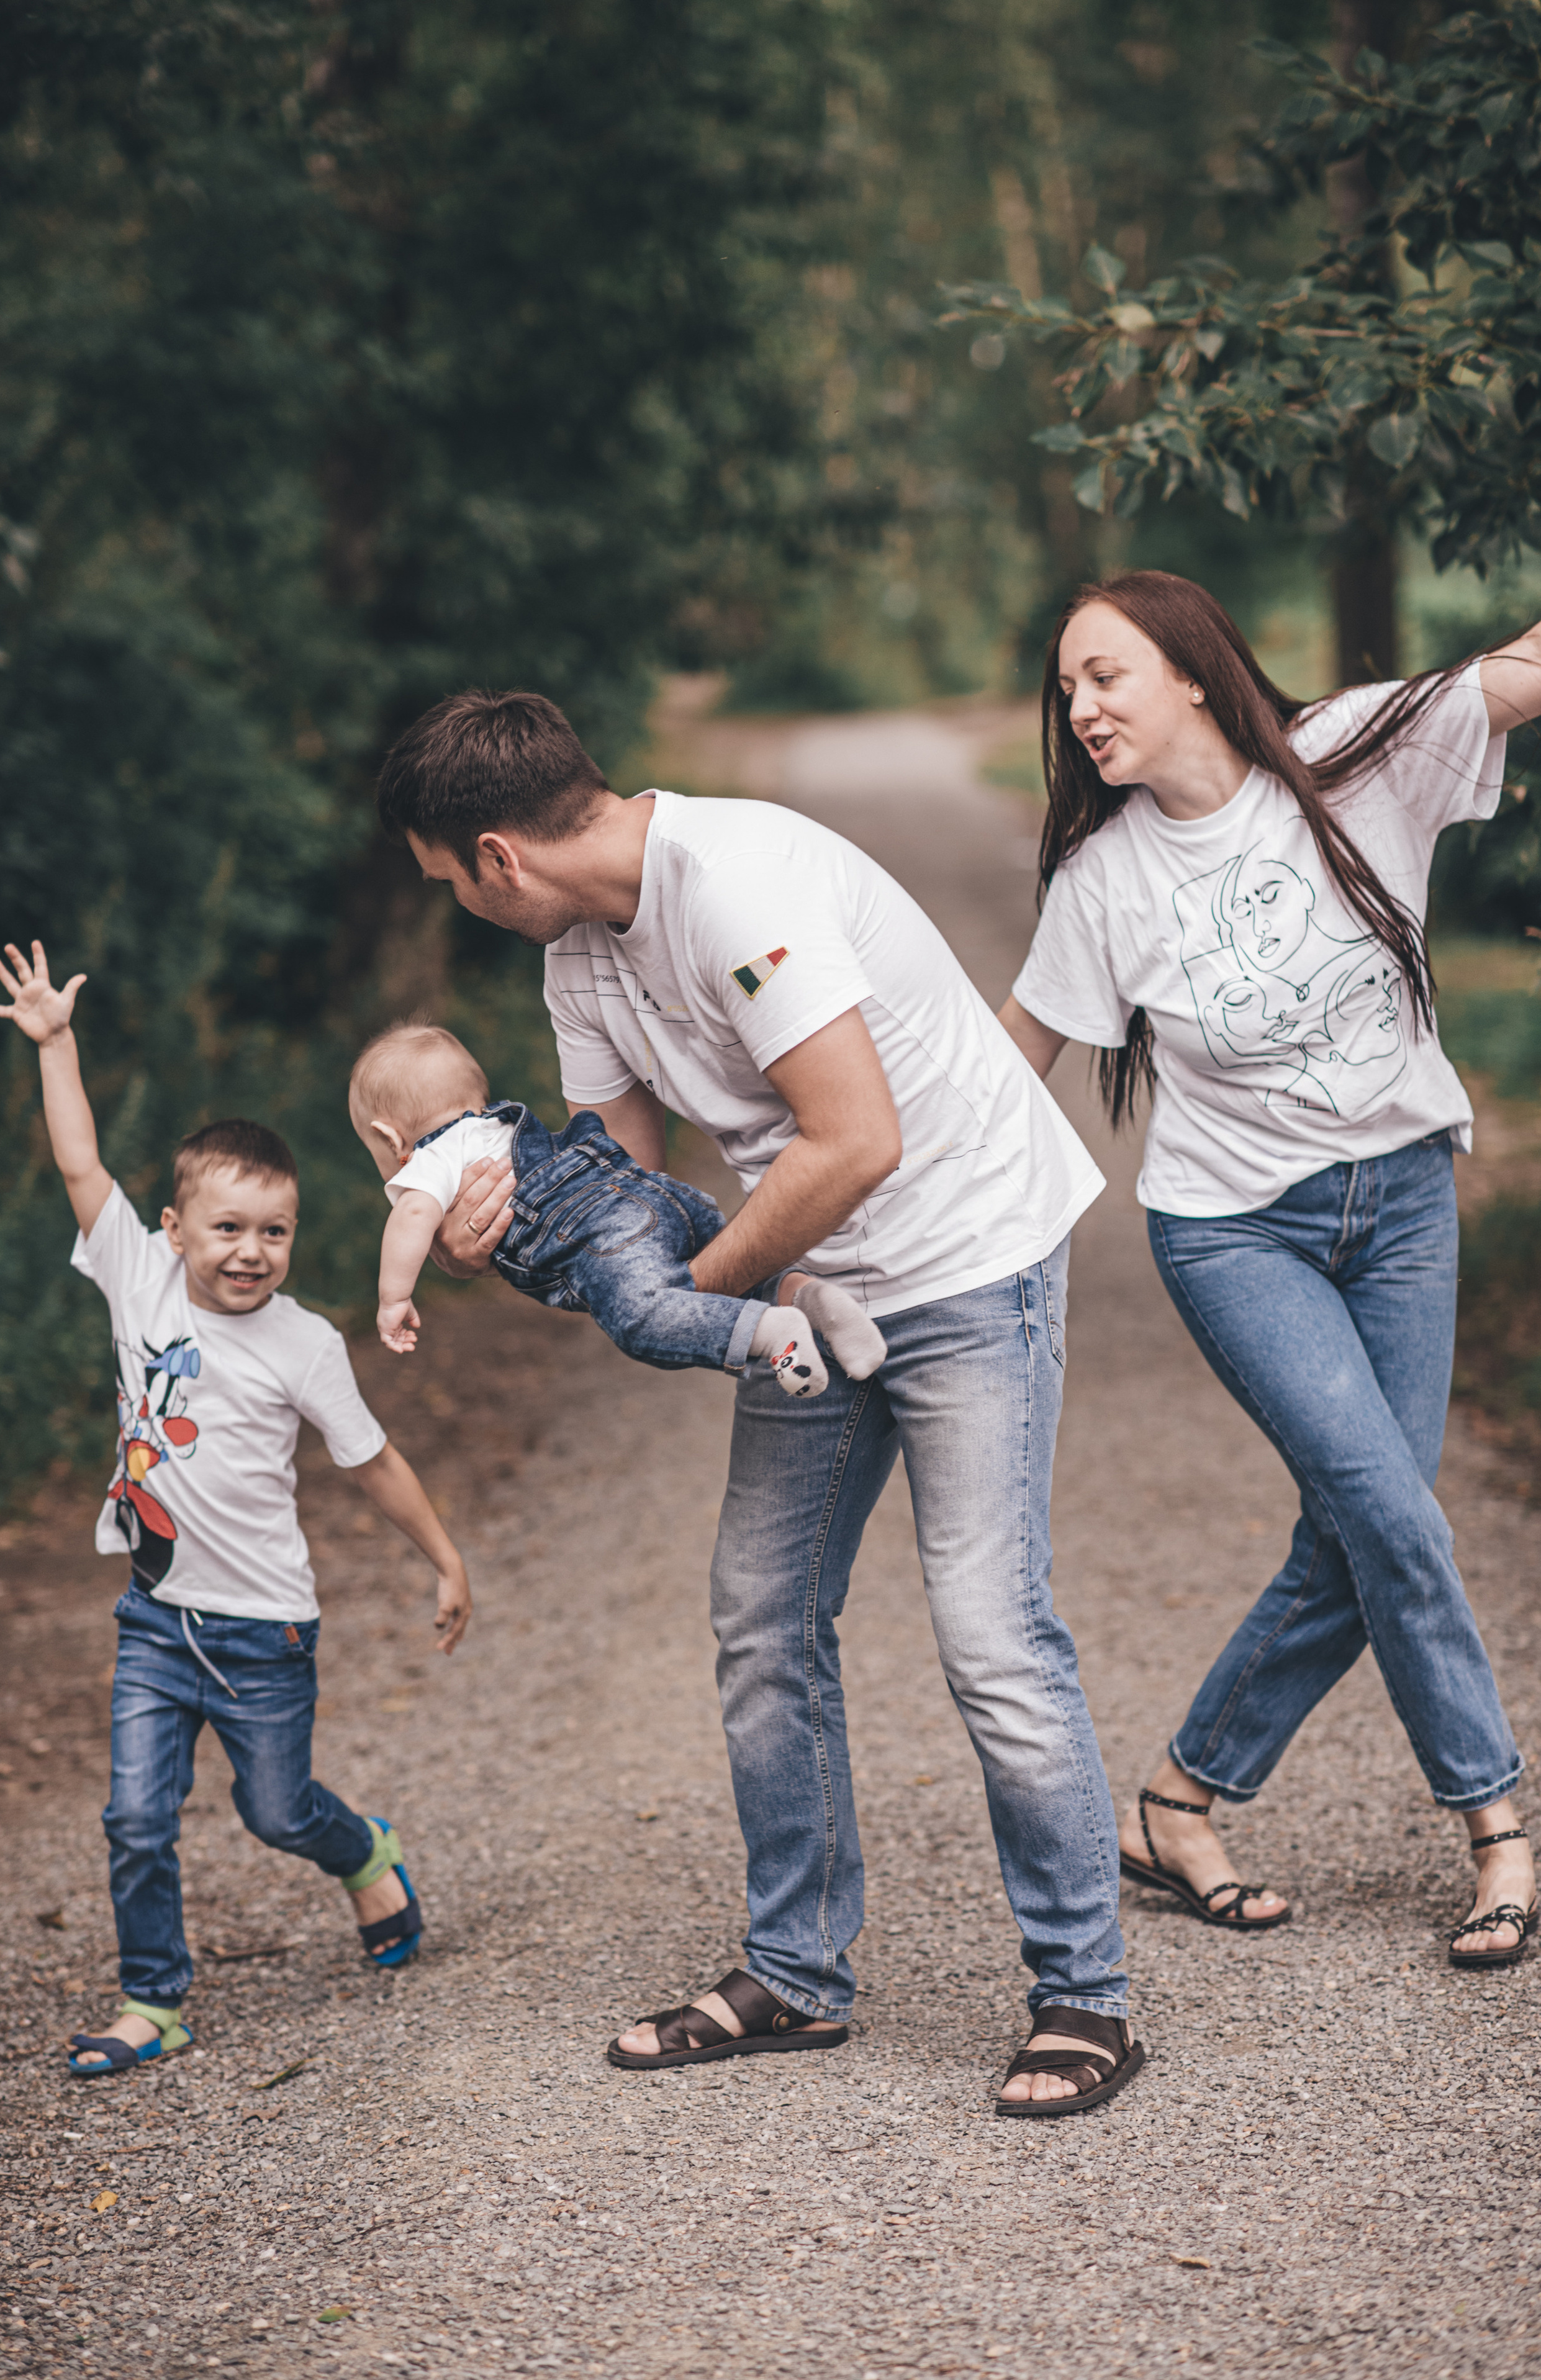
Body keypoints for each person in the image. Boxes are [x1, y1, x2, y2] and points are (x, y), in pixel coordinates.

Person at [373, 687, 1141, 2116]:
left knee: (989, 1632)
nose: (458, 908)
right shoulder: (577, 957)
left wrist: (694, 1301)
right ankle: (796, 1969)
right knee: (761, 1616)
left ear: (496, 857)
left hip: (967, 1253)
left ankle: (1083, 1992)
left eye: (448, 884)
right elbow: (621, 1184)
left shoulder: (736, 883)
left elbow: (854, 1141)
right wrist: (504, 1225)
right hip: (811, 1276)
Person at [1001, 569, 1541, 1969]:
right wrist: (860, 1181)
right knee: (1391, 1514)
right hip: (1235, 1231)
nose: (1080, 708)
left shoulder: (1350, 754)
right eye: (1066, 689)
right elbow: (1010, 1069)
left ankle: (1178, 1799)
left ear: (1191, 667)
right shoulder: (1105, 877)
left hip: (1406, 1204)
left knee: (1359, 1528)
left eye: (1104, 674)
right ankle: (1496, 1824)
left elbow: (1519, 670)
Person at [0, 941, 472, 2075]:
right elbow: (79, 1161)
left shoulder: (305, 1344)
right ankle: (153, 1997)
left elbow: (372, 1460)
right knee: (134, 1817)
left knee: (278, 1811)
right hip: (156, 1620)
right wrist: (55, 1043)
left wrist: (446, 1557)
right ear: (174, 1228)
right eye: (229, 1227)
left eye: (275, 1230)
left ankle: (364, 1852)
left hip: (266, 1629)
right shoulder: (137, 1276)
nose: (252, 1251)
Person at [348, 1018, 886, 1395]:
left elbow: (412, 1217)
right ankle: (808, 1297)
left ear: (389, 1137)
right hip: (654, 1194)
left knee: (642, 1319)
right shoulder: (501, 1126)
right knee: (720, 1270)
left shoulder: (431, 1158)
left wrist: (394, 1297)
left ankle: (774, 1332)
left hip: (611, 1233)